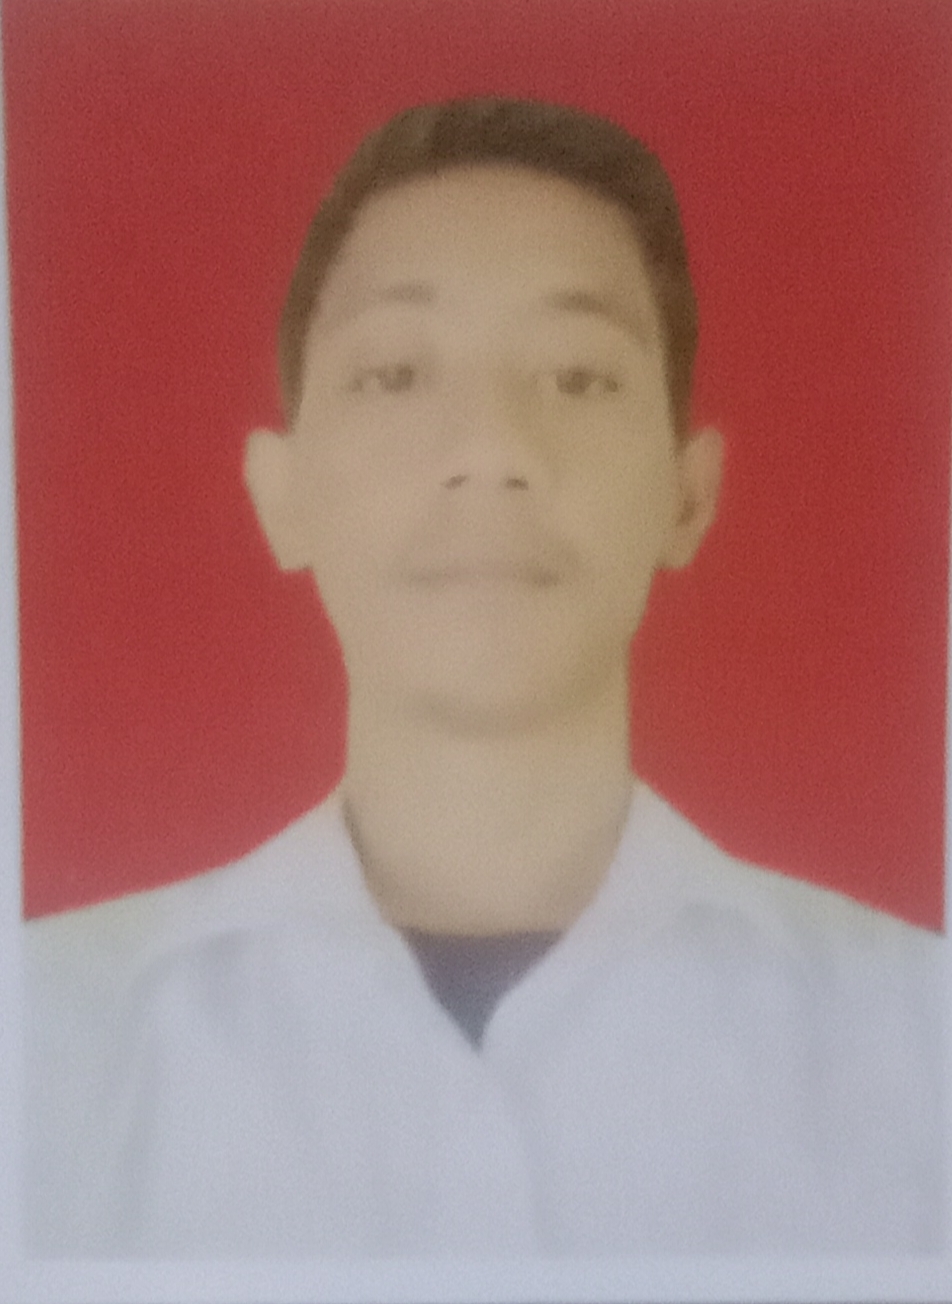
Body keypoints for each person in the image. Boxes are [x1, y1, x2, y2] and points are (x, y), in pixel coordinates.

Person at [22, 97, 945, 1256]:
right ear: (280, 492)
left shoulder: (917, 1042)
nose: (494, 449)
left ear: (687, 493)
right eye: (396, 373)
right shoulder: (48, 1042)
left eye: (578, 377)